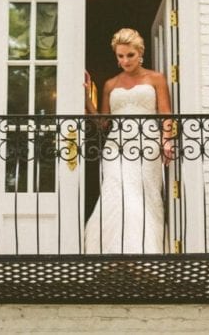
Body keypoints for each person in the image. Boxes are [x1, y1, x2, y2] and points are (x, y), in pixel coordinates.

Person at [81, 27, 174, 254]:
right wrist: (86, 98)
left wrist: (167, 140)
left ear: (140, 52)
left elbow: (166, 114)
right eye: (120, 56)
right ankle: (112, 253)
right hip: (116, 147)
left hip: (147, 146)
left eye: (129, 55)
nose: (125, 60)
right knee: (115, 194)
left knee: (142, 196)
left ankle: (145, 253)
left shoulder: (156, 79)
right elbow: (104, 123)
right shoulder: (111, 84)